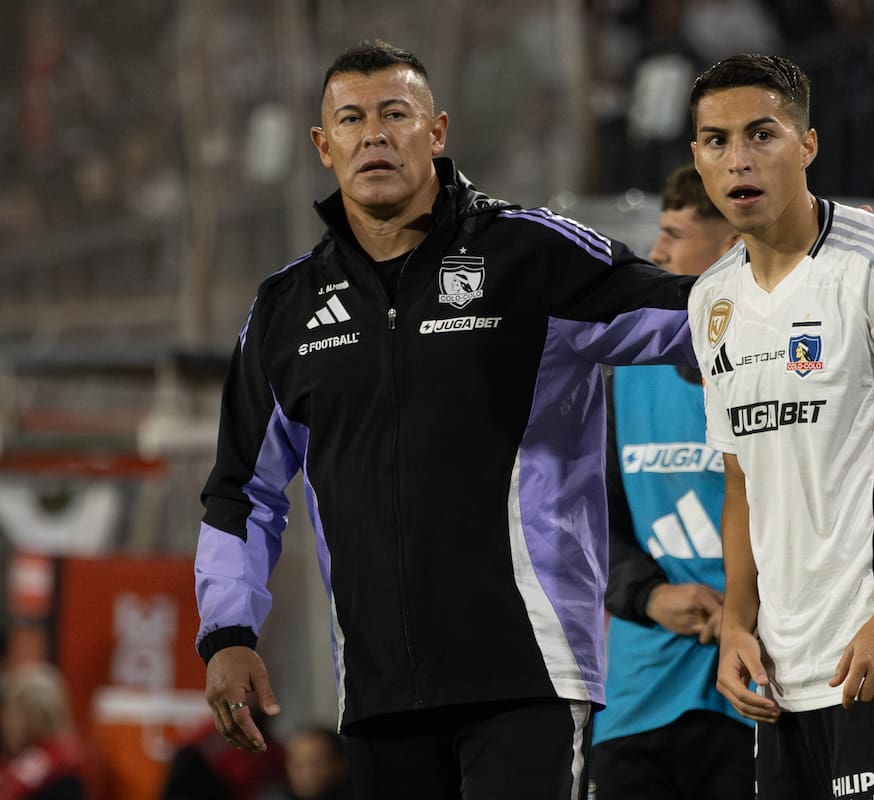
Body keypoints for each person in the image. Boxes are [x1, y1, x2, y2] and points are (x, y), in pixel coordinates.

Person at [193, 40, 695, 799]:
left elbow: (686, 317)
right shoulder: (285, 311)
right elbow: (239, 493)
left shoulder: (532, 254)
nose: (375, 135)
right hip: (378, 692)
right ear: (324, 147)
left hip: (528, 673)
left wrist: (798, 280)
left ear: (437, 131)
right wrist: (227, 634)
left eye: (397, 114)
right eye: (352, 119)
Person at [686, 54, 874, 799]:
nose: (739, 160)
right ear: (696, 157)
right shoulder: (711, 301)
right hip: (783, 680)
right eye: (716, 140)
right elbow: (741, 483)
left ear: (807, 144)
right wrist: (737, 625)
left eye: (762, 134)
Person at [593, 164, 751, 800]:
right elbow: (586, 528)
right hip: (638, 695)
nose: (656, 252)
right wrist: (650, 596)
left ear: (731, 247)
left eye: (674, 233)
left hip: (756, 693)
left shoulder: (783, 377)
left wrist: (747, 608)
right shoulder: (624, 376)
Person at [0, 663, 86, 800]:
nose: (6, 723)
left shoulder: (62, 775)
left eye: (12, 714)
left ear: (35, 717)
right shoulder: (12, 765)